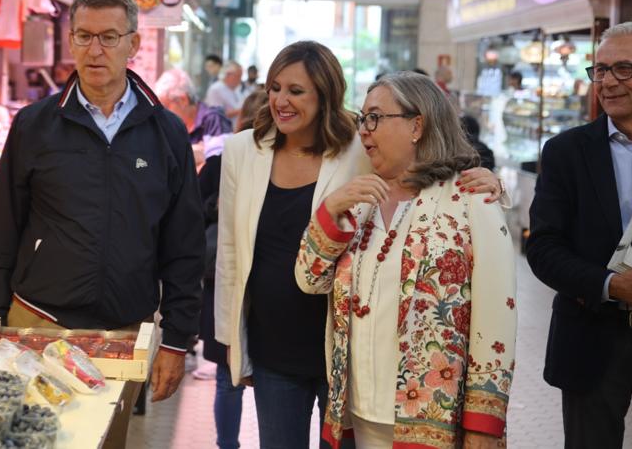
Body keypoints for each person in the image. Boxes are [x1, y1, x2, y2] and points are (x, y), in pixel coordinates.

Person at [215, 43, 505, 449]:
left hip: (345, 354)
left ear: (325, 95)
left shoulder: (363, 146)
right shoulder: (244, 151)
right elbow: (232, 254)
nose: (281, 100)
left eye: (296, 91)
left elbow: (423, 166)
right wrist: (231, 341)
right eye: (275, 87)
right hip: (277, 342)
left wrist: (488, 182)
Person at [0, 0, 204, 447]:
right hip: (36, 321)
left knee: (106, 440)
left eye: (110, 37)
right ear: (70, 40)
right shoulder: (35, 124)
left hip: (124, 329)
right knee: (33, 438)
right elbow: (1, 228)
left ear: (133, 44)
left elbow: (184, 246)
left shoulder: (166, 133)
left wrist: (177, 340)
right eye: (84, 36)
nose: (95, 50)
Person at [296, 71, 516, 449]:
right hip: (358, 411)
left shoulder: (468, 198)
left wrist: (484, 423)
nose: (364, 130)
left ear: (417, 125)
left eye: (376, 117)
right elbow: (308, 279)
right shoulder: (359, 200)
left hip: (432, 414)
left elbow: (497, 316)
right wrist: (332, 209)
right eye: (362, 118)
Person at [528, 21, 632, 448]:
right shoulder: (566, 152)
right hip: (592, 335)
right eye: (600, 70)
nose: (607, 82)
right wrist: (613, 285)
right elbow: (543, 246)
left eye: (623, 68)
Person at [197, 89, 266, 449]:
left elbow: (193, 213)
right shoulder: (224, 164)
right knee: (235, 377)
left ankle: (228, 445)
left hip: (226, 279)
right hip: (233, 278)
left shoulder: (224, 161)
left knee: (228, 378)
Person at [155, 68, 233, 167]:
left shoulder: (214, 119)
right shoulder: (169, 125)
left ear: (183, 100)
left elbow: (219, 166)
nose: (162, 114)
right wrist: (192, 154)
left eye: (165, 107)